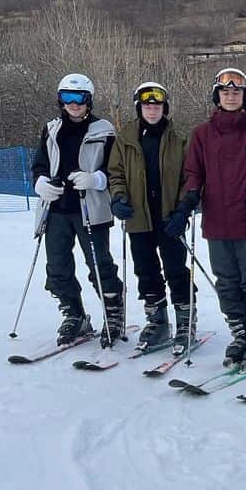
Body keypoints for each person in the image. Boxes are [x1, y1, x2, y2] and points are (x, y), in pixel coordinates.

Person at [166, 68, 246, 368]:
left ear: (245, 96)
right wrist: (190, 196)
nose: (231, 96)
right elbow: (194, 172)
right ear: (217, 96)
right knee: (227, 282)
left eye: (237, 92)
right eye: (226, 92)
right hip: (216, 221)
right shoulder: (202, 134)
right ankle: (240, 332)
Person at [31, 73, 124, 346]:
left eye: (80, 98)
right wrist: (41, 183)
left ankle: (113, 313)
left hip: (90, 208)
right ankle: (74, 314)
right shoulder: (51, 129)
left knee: (99, 264)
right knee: (57, 267)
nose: (74, 104)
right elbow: (39, 164)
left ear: (89, 101)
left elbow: (115, 168)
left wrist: (96, 179)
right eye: (67, 98)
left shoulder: (104, 130)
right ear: (60, 100)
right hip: (57, 208)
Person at [106, 82, 193, 353]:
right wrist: (118, 197)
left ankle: (185, 320)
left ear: (164, 108)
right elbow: (116, 173)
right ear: (139, 108)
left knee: (176, 269)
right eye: (147, 105)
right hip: (138, 217)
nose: (152, 110)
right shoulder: (126, 138)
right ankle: (157, 320)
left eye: (157, 106)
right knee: (145, 270)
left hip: (169, 217)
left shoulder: (179, 138)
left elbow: (189, 178)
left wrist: (183, 209)